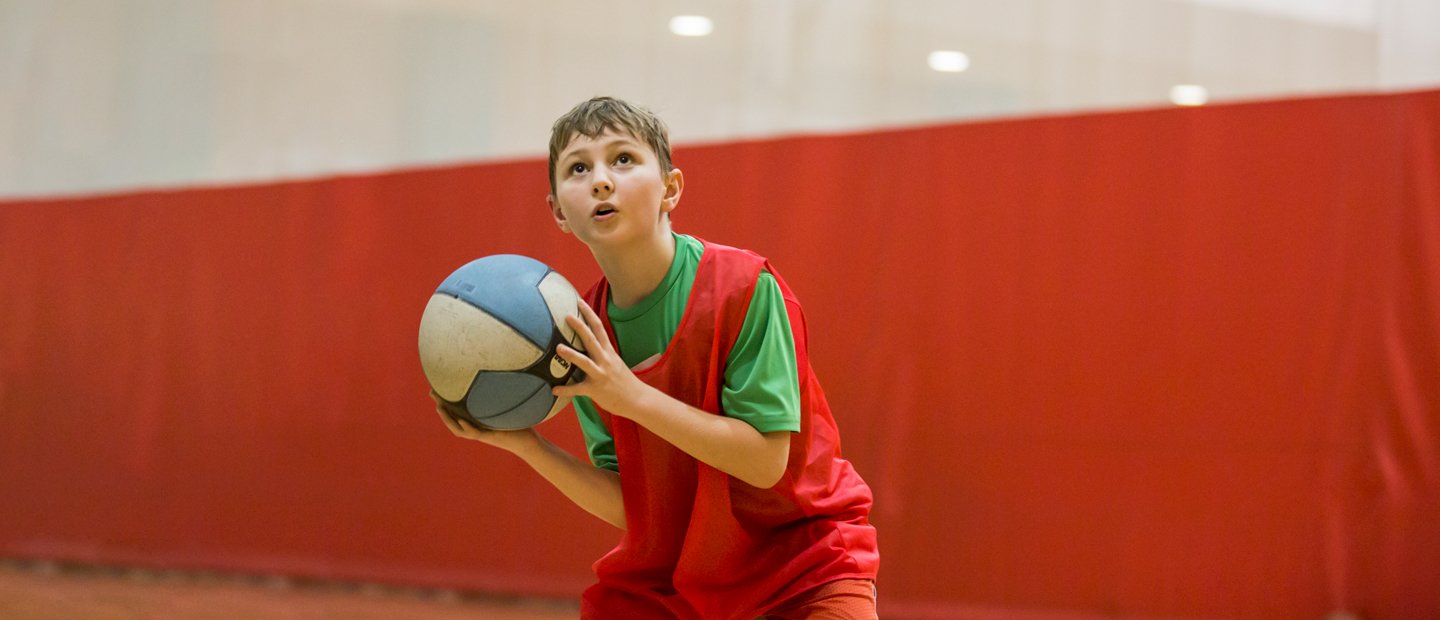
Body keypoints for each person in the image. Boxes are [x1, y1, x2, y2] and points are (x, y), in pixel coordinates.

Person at [433, 96, 879, 619]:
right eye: (579, 168)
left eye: (623, 159)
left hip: (803, 566)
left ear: (671, 188)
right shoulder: (578, 331)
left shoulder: (744, 288)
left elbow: (763, 463)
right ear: (557, 211)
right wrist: (528, 446)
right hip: (678, 581)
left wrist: (631, 396)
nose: (602, 181)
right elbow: (637, 507)